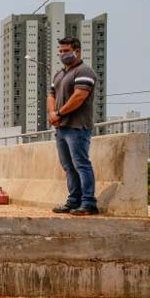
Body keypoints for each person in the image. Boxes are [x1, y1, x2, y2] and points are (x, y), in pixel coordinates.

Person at [48, 37, 99, 216]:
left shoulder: (84, 71)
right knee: (68, 166)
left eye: (66, 51)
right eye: (60, 51)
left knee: (81, 164)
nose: (63, 54)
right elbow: (51, 95)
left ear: (77, 51)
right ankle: (73, 200)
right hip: (61, 128)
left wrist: (59, 113)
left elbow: (79, 96)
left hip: (77, 126)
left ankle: (88, 202)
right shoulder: (59, 74)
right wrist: (52, 114)